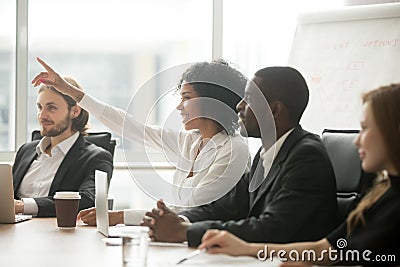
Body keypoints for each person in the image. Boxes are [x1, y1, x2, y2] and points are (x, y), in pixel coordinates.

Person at [198, 83, 400, 267]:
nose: (357, 141)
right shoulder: (380, 195)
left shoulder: (306, 154)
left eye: (365, 128)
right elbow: (325, 250)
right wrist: (247, 249)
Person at [32, 57, 251, 225]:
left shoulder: (233, 150)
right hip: (179, 241)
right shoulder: (191, 142)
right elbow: (128, 126)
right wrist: (70, 91)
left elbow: (188, 214)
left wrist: (119, 217)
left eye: (186, 98)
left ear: (213, 100)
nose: (178, 106)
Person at [142, 66, 337, 247]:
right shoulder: (266, 154)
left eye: (249, 100)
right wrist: (180, 220)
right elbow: (226, 206)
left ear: (275, 110)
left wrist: (186, 232)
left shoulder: (306, 156)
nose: (238, 106)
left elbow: (271, 228)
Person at [13, 76, 113, 217]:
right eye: (40, 107)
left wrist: (23, 206)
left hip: (57, 234)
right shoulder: (26, 150)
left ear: (75, 111)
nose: (42, 115)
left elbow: (87, 200)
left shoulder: (97, 158)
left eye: (51, 108)